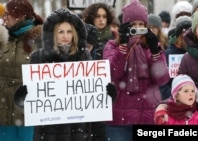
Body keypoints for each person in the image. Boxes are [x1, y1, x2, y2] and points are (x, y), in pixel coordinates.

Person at [13, 8, 117, 141]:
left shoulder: (84, 56)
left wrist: (108, 95)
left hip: (80, 134)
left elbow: (93, 100)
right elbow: (27, 103)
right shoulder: (39, 57)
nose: (65, 36)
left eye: (69, 31)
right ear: (52, 34)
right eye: (60, 31)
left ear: (75, 33)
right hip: (48, 134)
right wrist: (23, 94)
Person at [103, 0, 170, 140]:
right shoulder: (112, 46)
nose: (137, 29)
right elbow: (112, 73)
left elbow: (162, 78)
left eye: (141, 25)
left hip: (146, 116)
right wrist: (123, 47)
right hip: (119, 119)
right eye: (133, 25)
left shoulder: (152, 46)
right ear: (125, 26)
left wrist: (155, 52)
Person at [0, 0, 43, 140]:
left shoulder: (41, 40)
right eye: (4, 14)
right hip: (3, 112)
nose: (4, 17)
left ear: (21, 15)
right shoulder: (2, 39)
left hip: (29, 111)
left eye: (8, 14)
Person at [159, 16, 192, 100]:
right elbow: (163, 84)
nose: (187, 36)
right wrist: (175, 98)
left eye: (190, 32)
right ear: (178, 35)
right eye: (184, 32)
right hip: (174, 103)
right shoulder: (168, 54)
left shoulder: (196, 53)